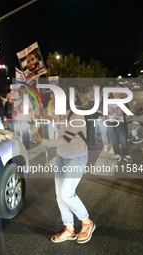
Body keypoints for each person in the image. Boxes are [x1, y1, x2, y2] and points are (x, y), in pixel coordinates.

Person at [34, 88, 95, 244]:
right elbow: (55, 119)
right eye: (52, 99)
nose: (52, 102)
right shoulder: (60, 113)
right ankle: (69, 228)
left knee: (67, 193)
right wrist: (44, 115)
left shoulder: (78, 115)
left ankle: (87, 222)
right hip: (62, 157)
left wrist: (43, 142)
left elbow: (64, 139)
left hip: (77, 158)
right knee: (60, 196)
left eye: (55, 99)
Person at [107, 92, 133, 162]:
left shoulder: (124, 101)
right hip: (112, 123)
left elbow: (127, 112)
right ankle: (117, 154)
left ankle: (126, 154)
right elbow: (106, 111)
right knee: (114, 139)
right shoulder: (109, 100)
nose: (115, 93)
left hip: (121, 123)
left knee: (123, 139)